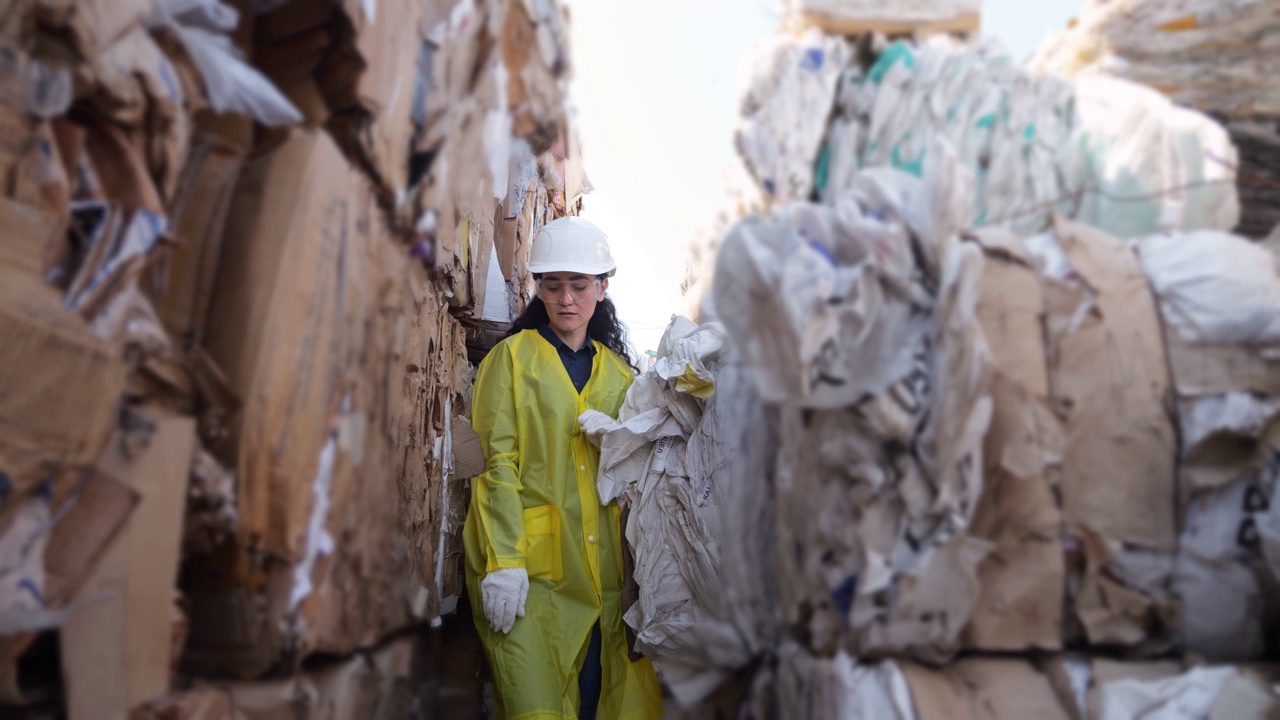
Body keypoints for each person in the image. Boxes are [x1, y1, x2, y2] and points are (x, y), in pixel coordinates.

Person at [463, 217, 663, 719]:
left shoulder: (620, 377)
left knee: (606, 699)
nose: (566, 298)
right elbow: (496, 464)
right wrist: (504, 562)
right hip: (528, 573)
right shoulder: (509, 360)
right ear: (540, 290)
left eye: (579, 285)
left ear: (602, 287)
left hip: (605, 577)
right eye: (553, 286)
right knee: (535, 704)